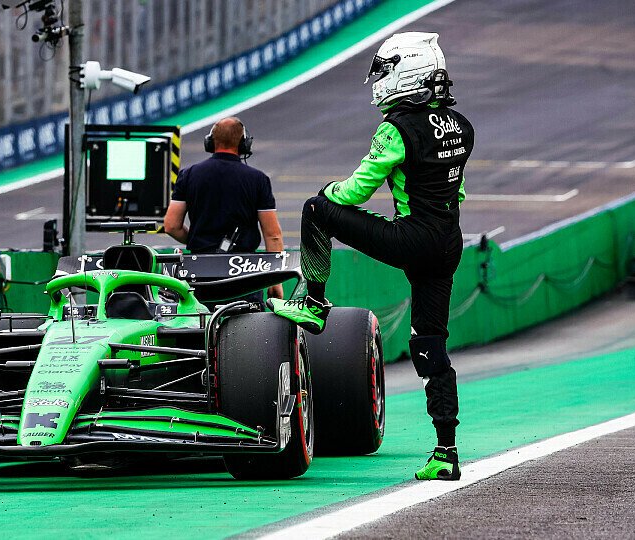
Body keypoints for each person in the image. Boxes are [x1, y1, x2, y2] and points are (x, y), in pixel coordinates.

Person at [268, 33, 474, 481]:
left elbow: (358, 190)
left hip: (413, 239)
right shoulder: (461, 124)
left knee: (315, 209)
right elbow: (456, 191)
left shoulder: (396, 128)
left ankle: (312, 301)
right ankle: (446, 450)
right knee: (430, 346)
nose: (379, 80)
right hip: (448, 243)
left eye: (385, 70)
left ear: (407, 72)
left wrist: (329, 194)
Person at [163, 116, 284, 303]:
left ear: (210, 142)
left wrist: (200, 242)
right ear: (244, 144)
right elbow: (273, 235)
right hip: (245, 273)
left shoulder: (189, 175)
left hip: (200, 272)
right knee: (249, 329)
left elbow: (171, 225)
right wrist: (275, 281)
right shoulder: (258, 179)